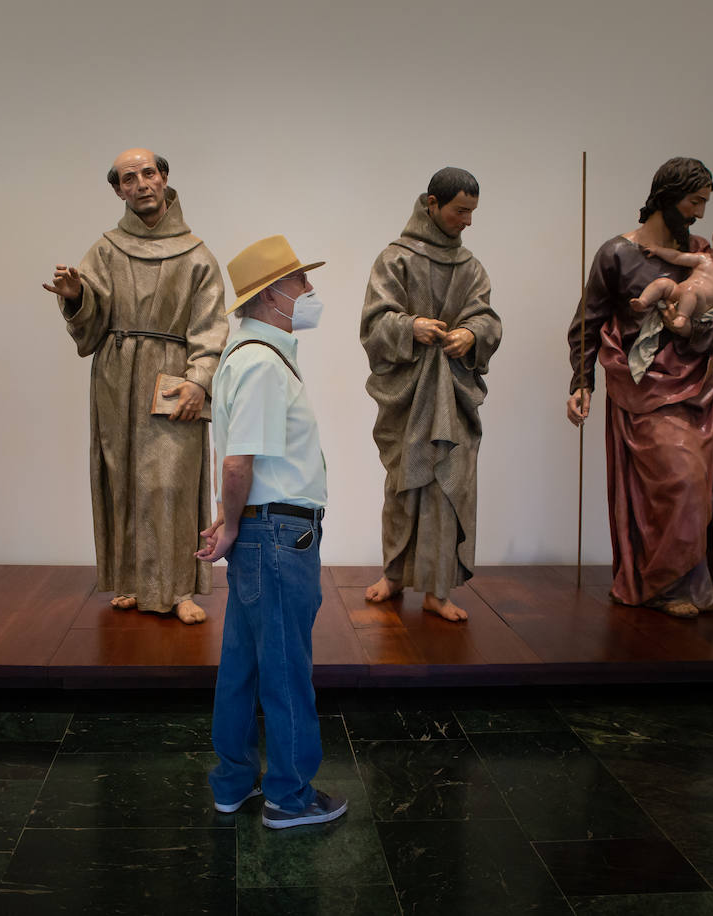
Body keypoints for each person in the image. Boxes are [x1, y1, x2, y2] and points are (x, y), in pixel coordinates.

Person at [197, 235, 346, 829]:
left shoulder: (252, 357)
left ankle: (233, 783)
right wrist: (231, 524)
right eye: (300, 282)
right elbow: (240, 464)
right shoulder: (260, 362)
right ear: (272, 295)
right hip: (279, 537)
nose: (310, 292)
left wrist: (233, 521)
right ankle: (289, 797)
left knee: (244, 665)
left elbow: (237, 464)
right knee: (284, 668)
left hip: (264, 534)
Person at [43, 148, 227, 625]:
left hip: (172, 377)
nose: (141, 183)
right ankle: (132, 581)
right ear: (118, 189)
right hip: (116, 377)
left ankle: (178, 587)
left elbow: (210, 327)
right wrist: (77, 296)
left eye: (149, 173)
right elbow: (91, 320)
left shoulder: (197, 254)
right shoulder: (106, 249)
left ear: (164, 178)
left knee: (170, 483)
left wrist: (199, 381)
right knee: (123, 479)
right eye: (130, 178)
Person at [566, 157, 713, 619]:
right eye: (693, 202)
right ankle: (659, 582)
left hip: (697, 388)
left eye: (705, 203)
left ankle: (683, 583)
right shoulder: (616, 254)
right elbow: (586, 323)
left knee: (692, 485)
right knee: (672, 482)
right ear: (665, 197)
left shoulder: (708, 253)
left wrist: (691, 333)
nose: (700, 214)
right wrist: (581, 382)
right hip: (642, 386)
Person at [360, 167, 502, 621]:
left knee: (448, 486)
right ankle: (394, 573)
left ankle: (439, 589)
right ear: (431, 204)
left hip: (453, 396)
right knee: (405, 483)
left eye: (472, 212)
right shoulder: (394, 259)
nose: (468, 221)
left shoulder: (471, 267)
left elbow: (488, 318)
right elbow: (373, 324)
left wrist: (472, 336)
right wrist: (410, 326)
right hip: (410, 392)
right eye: (461, 210)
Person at [627, 219, 713, 383]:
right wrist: (658, 251)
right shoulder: (702, 259)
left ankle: (682, 317)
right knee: (663, 284)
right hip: (681, 293)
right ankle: (643, 301)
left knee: (692, 292)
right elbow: (678, 257)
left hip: (700, 303)